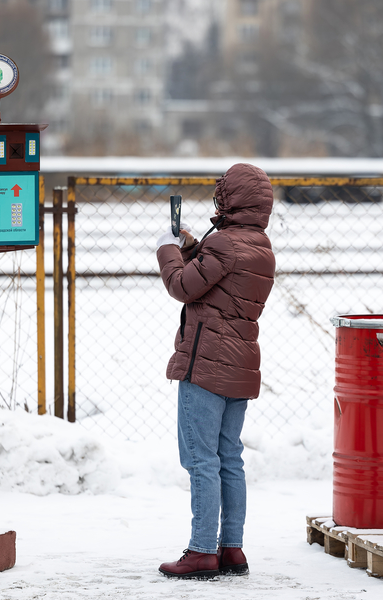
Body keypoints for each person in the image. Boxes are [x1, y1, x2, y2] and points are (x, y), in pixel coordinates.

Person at [154, 163, 276, 579]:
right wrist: (192, 247)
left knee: (200, 459)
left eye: (222, 194)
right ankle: (232, 548)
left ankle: (202, 550)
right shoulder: (259, 246)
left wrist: (167, 249)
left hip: (205, 366)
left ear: (232, 201)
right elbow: (215, 281)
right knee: (229, 458)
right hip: (239, 367)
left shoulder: (224, 243)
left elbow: (183, 286)